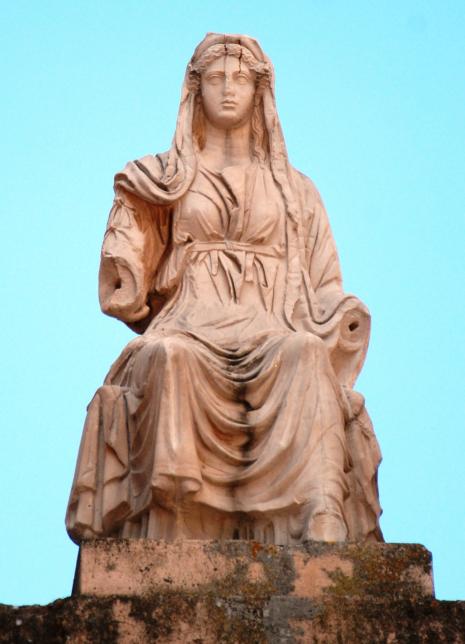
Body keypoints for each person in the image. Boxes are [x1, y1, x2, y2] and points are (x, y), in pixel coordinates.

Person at [66, 33, 382, 545]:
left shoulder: (296, 191)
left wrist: (343, 311)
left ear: (260, 91)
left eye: (240, 78)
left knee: (306, 353)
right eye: (216, 78)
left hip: (270, 327)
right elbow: (129, 265)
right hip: (188, 325)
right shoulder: (163, 178)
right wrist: (126, 245)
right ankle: (175, 513)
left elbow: (324, 281)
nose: (229, 89)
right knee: (169, 358)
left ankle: (319, 509)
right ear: (196, 89)